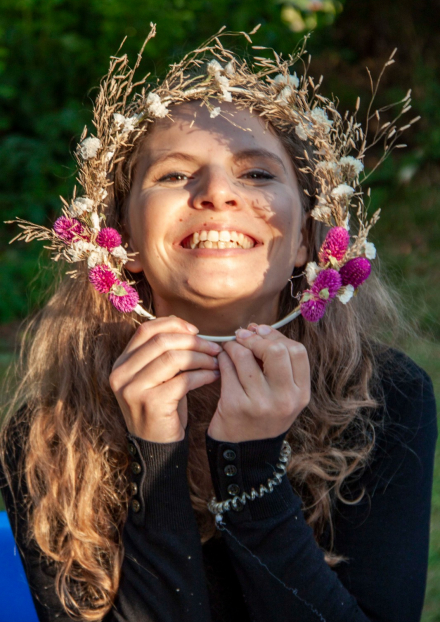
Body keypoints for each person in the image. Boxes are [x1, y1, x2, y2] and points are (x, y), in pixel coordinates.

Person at [0, 26, 437, 622]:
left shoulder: (387, 397)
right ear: (121, 239)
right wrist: (152, 453)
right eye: (174, 175)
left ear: (312, 237)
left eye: (258, 174)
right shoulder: (46, 435)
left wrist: (251, 466)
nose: (216, 193)